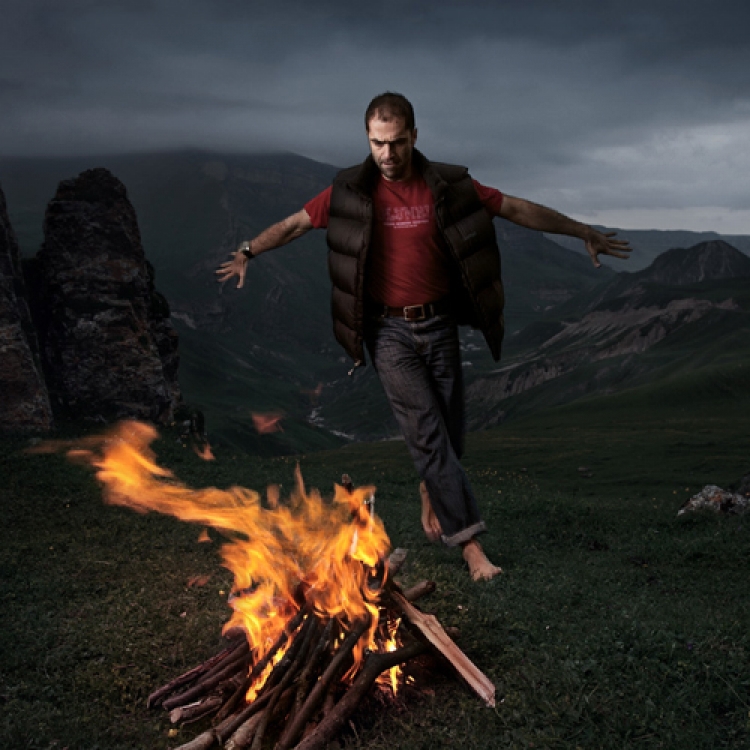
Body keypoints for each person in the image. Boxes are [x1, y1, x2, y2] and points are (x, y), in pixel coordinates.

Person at [216, 92, 631, 581]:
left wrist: (582, 229)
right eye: (377, 144)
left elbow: (516, 208)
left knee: (451, 435)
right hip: (387, 331)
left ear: (414, 135)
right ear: (367, 140)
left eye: (396, 143)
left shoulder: (448, 188)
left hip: (439, 325)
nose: (387, 155)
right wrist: (248, 250)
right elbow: (295, 224)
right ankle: (472, 550)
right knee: (429, 435)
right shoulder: (351, 192)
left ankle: (430, 487)